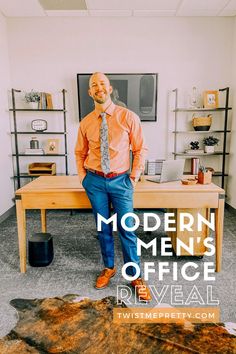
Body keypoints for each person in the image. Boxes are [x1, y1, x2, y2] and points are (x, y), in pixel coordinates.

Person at [75, 72, 151, 301]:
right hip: (95, 181)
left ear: (109, 89)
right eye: (93, 85)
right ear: (90, 92)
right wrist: (83, 177)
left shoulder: (128, 117)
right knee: (103, 228)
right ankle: (109, 267)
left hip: (121, 181)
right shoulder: (86, 122)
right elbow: (80, 152)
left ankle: (134, 275)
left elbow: (140, 149)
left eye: (102, 84)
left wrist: (134, 177)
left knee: (127, 228)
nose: (98, 88)